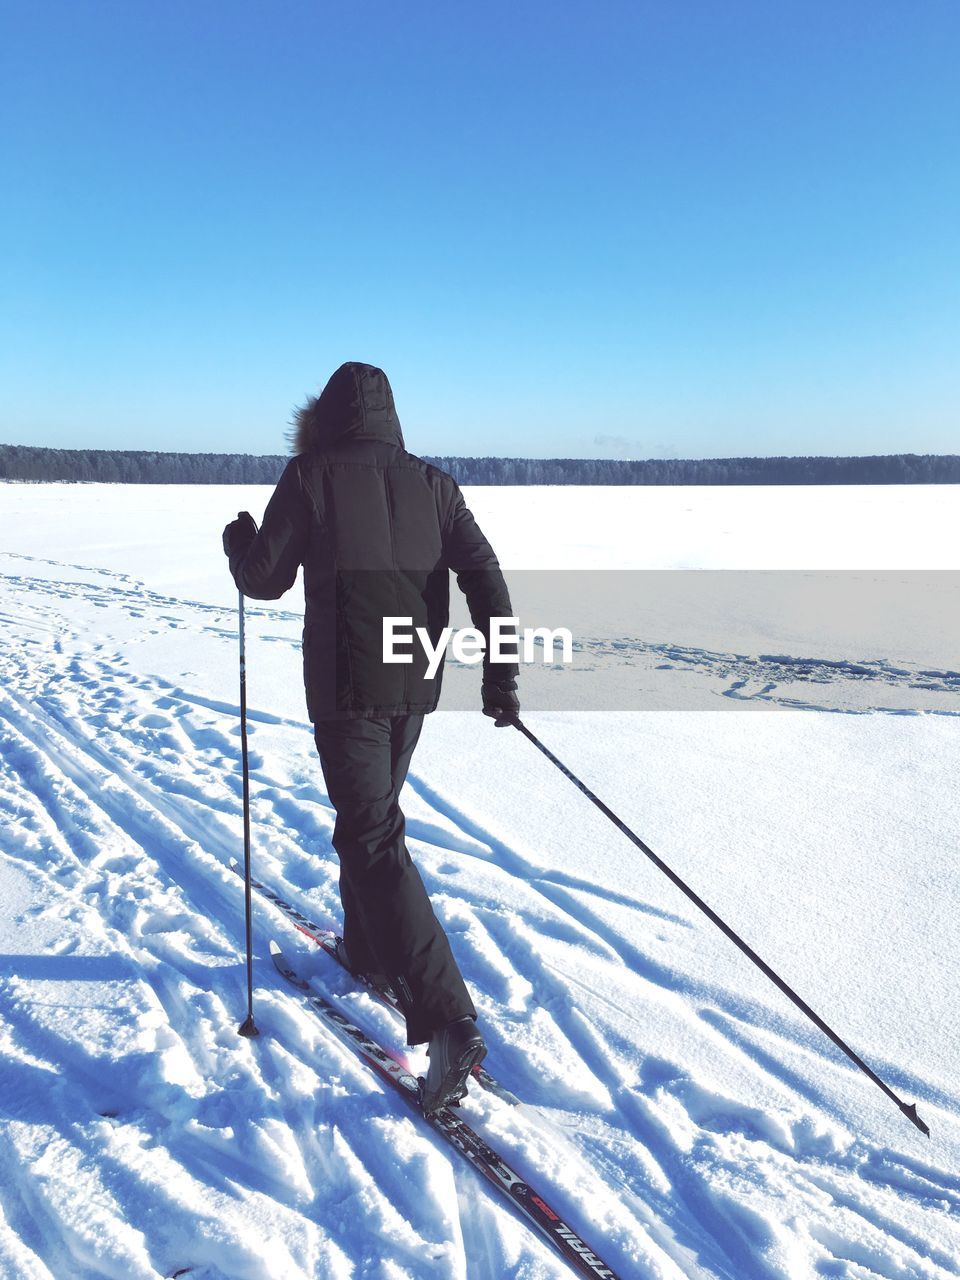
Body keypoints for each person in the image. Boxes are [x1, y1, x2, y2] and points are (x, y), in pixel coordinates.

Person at [222, 361, 519, 1113]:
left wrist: (239, 544)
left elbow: (263, 580)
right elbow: (486, 577)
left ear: (326, 416)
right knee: (370, 823)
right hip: (414, 685)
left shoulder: (311, 474)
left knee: (372, 835)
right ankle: (367, 948)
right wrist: (500, 675)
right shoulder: (435, 484)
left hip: (349, 689)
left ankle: (449, 1020)